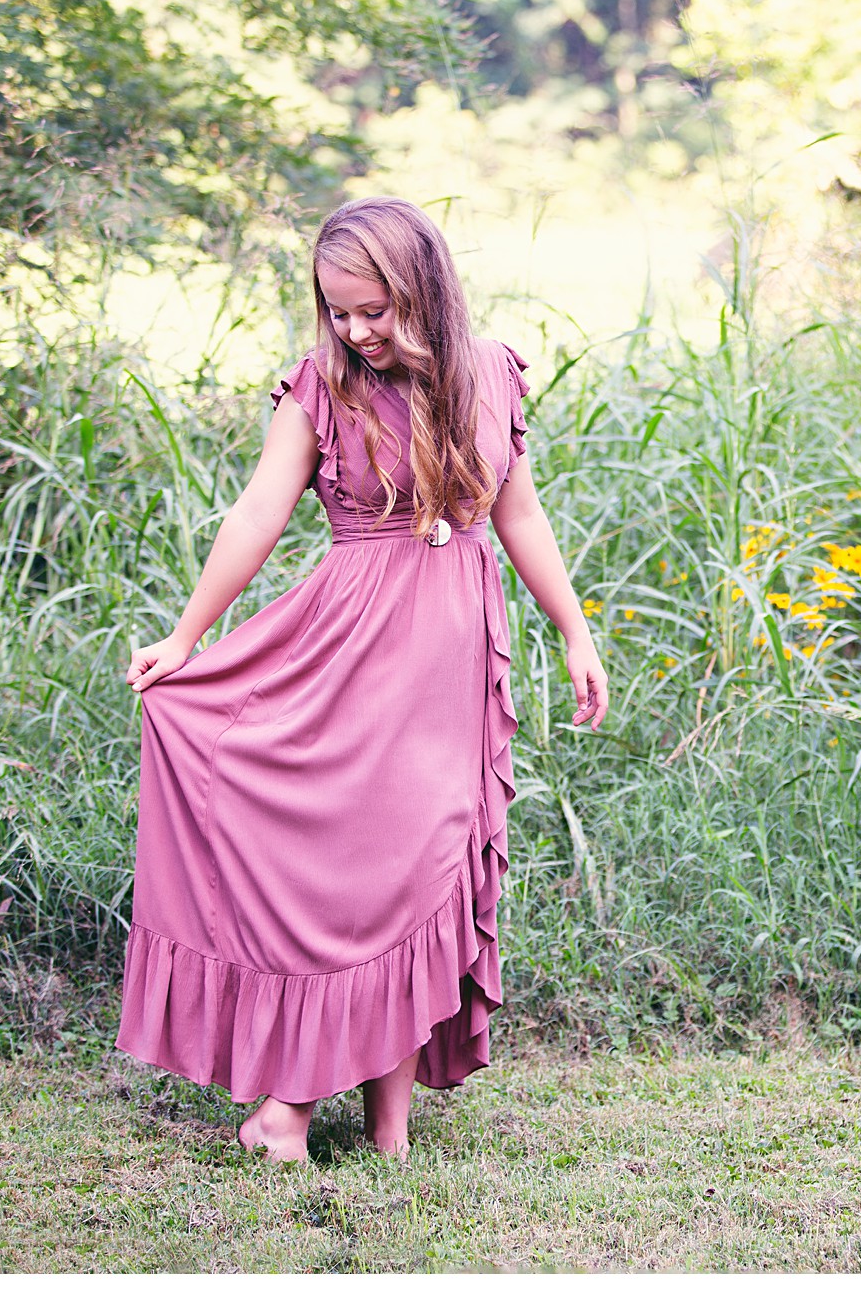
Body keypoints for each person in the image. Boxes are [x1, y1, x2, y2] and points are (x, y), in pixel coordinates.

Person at [117, 195, 608, 1162]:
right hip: (345, 647)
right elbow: (258, 513)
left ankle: (390, 1129)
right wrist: (186, 637)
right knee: (351, 875)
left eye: (374, 310)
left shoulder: (489, 376)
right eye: (338, 311)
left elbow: (521, 516)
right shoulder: (321, 386)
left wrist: (576, 631)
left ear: (423, 290)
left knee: (424, 870)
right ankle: (285, 1107)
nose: (355, 330)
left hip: (449, 657)